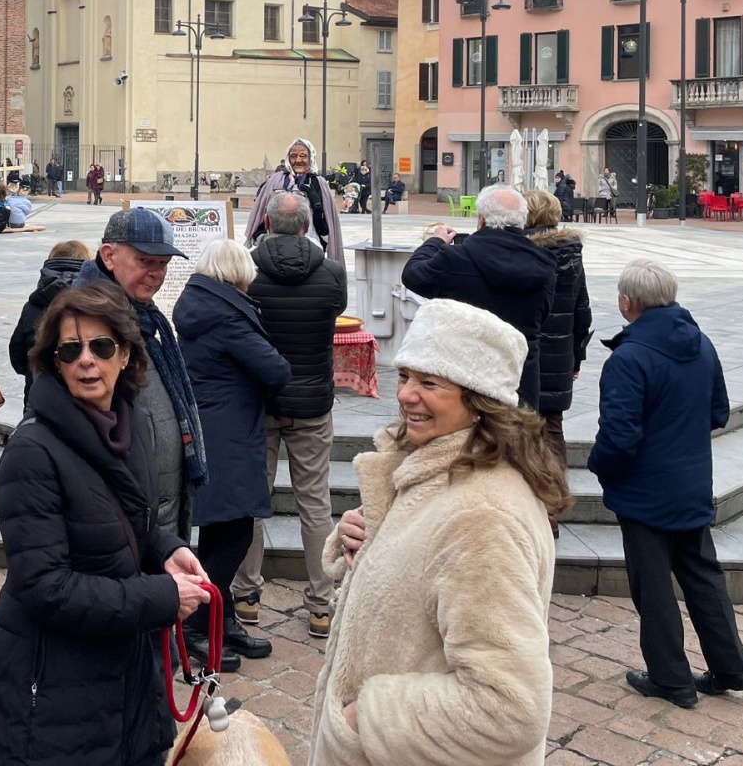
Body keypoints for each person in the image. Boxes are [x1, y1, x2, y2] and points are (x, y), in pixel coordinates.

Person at [0, 283, 213, 766]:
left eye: (101, 346)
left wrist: (165, 548)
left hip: (127, 671)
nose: (86, 361)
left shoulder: (131, 424)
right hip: (56, 684)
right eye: (70, 350)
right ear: (54, 362)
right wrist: (162, 598)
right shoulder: (32, 451)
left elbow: (129, 518)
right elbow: (46, 587)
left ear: (126, 353)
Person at [309, 299, 568, 766]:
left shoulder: (481, 515)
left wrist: (364, 719)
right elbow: (424, 570)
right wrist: (372, 538)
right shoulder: (442, 471)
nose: (406, 394)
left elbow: (510, 708)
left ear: (479, 403)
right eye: (406, 375)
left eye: (429, 382)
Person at [588, 259, 743, 708]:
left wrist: (598, 465)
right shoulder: (700, 343)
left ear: (627, 302)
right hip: (691, 482)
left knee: (654, 586)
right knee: (703, 577)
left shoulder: (629, 357)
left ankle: (670, 678)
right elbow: (718, 411)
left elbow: (618, 438)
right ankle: (732, 669)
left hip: (645, 491)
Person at [235, 190, 348, 641]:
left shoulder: (245, 272)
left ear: (265, 223)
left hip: (258, 402)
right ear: (306, 226)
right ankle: (321, 605)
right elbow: (335, 314)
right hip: (312, 402)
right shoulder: (332, 273)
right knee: (315, 503)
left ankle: (246, 596)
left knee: (253, 500)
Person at [175, 239, 292, 669]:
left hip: (217, 426)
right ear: (237, 272)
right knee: (235, 532)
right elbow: (275, 370)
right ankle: (197, 626)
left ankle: (218, 621)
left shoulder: (202, 305)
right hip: (227, 434)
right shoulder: (227, 317)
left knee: (222, 532)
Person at [75, 208, 203, 540]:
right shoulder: (89, 323)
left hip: (156, 510)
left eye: (163, 264)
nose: (156, 274)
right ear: (109, 256)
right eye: (146, 261)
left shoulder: (143, 317)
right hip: (126, 515)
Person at [401, 184, 557, 410]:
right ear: (522, 222)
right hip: (520, 378)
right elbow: (544, 314)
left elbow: (413, 275)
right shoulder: (544, 264)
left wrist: (434, 241)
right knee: (516, 441)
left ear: (481, 219)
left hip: (465, 377)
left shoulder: (454, 258)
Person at [525, 189, 592, 470]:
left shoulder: (521, 253)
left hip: (526, 353)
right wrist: (576, 358)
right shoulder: (572, 254)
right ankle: (554, 501)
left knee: (518, 426)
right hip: (561, 355)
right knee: (553, 425)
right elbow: (582, 312)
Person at [243, 139, 345, 273]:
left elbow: (326, 226)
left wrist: (317, 206)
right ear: (287, 158)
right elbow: (261, 214)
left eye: (303, 156)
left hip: (309, 246)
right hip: (274, 246)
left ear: (311, 158)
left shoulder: (318, 183)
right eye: (293, 156)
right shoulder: (276, 180)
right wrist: (262, 238)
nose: (298, 160)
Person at [7, 240, 91, 378]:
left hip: (39, 391)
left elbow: (17, 356)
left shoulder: (32, 306)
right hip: (87, 388)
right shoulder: (97, 305)